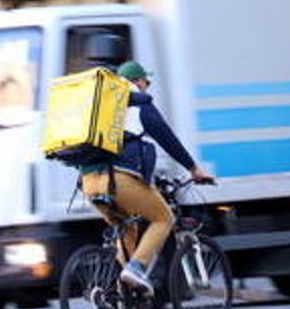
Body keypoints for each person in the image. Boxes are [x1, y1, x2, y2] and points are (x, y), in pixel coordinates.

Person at [80, 60, 214, 295]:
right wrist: (193, 169)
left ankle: (117, 294)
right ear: (138, 82)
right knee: (164, 218)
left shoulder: (103, 106)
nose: (147, 86)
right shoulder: (140, 106)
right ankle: (136, 268)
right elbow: (166, 138)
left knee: (127, 227)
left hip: (90, 182)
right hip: (118, 180)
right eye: (146, 81)